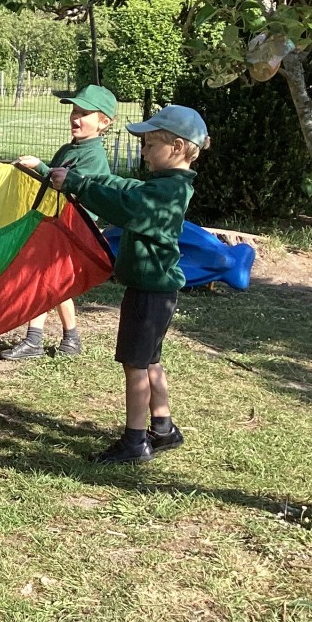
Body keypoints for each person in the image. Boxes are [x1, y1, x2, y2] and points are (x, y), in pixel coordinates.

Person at [49, 104, 208, 465]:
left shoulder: (165, 193)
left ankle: (135, 440)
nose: (144, 151)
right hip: (158, 291)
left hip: (149, 291)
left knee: (135, 364)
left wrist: (76, 184)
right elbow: (124, 187)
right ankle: (164, 428)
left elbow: (127, 206)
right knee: (150, 360)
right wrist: (83, 179)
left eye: (151, 145)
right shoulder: (167, 185)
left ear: (178, 147)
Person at [0, 84, 119, 360]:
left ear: (104, 122)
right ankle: (70, 338)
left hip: (75, 229)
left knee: (45, 279)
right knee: (53, 281)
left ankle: (35, 339)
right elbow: (51, 182)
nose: (75, 117)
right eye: (74, 111)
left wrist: (41, 167)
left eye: (84, 113)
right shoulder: (70, 148)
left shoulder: (93, 156)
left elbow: (70, 187)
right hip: (57, 224)